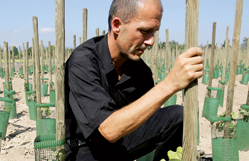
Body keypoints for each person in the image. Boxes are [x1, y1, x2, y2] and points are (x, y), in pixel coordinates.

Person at [65, 0, 203, 160]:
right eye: (144, 31)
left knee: (179, 117)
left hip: (121, 143)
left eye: (154, 32)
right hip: (85, 149)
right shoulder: (83, 63)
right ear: (116, 25)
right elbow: (108, 130)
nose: (151, 41)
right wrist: (170, 84)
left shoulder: (141, 72)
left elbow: (147, 123)